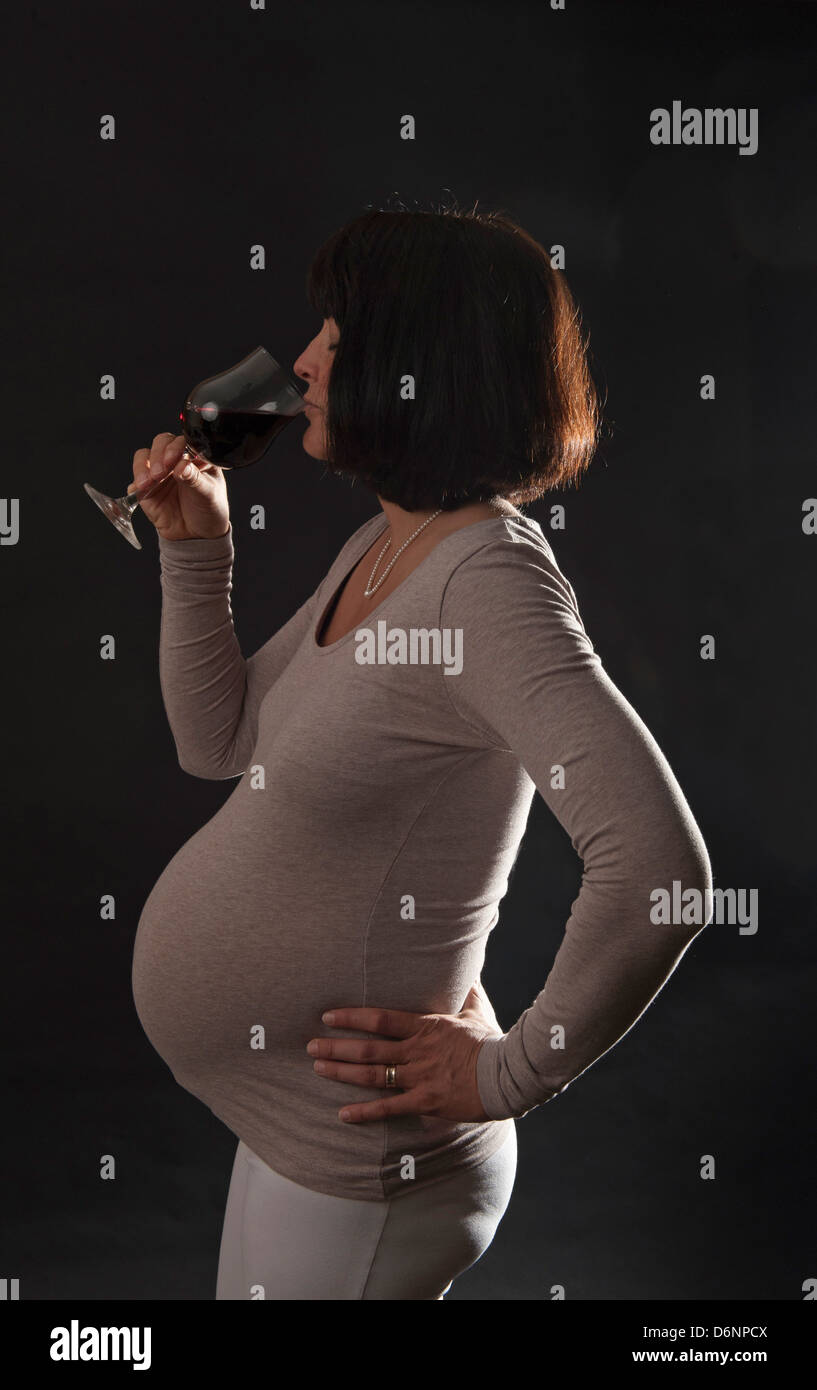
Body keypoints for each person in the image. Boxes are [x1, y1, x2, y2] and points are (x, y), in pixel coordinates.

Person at [129, 205, 713, 1300]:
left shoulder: (488, 581)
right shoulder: (390, 540)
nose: (300, 362)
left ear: (416, 366)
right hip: (293, 1116)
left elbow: (662, 875)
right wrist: (196, 552)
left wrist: (510, 1070)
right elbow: (219, 745)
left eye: (337, 338)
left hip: (366, 1158)